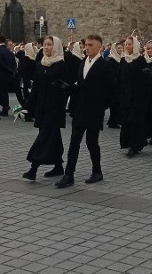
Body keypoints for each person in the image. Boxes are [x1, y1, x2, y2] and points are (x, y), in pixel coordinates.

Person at [56, 35, 110, 188]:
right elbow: (80, 85)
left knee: (92, 143)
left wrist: (101, 107)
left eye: (91, 45)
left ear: (99, 47)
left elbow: (109, 90)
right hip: (80, 110)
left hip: (94, 111)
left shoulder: (104, 65)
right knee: (74, 143)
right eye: (86, 45)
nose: (87, 48)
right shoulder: (82, 63)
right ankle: (69, 175)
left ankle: (97, 171)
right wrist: (69, 87)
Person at [22, 36, 68, 181]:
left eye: (49, 45)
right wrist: (27, 107)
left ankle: (33, 168)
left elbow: (65, 89)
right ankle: (58, 166)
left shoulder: (61, 65)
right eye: (45, 45)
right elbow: (35, 88)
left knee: (43, 139)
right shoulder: (41, 64)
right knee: (52, 138)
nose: (46, 47)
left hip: (54, 109)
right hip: (42, 108)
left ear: (55, 47)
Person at [119, 36, 147, 157]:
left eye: (129, 44)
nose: (127, 46)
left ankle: (134, 145)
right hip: (125, 95)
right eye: (126, 44)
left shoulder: (140, 60)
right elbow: (119, 77)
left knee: (135, 121)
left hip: (137, 96)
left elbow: (143, 78)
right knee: (126, 121)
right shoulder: (123, 60)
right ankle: (127, 143)